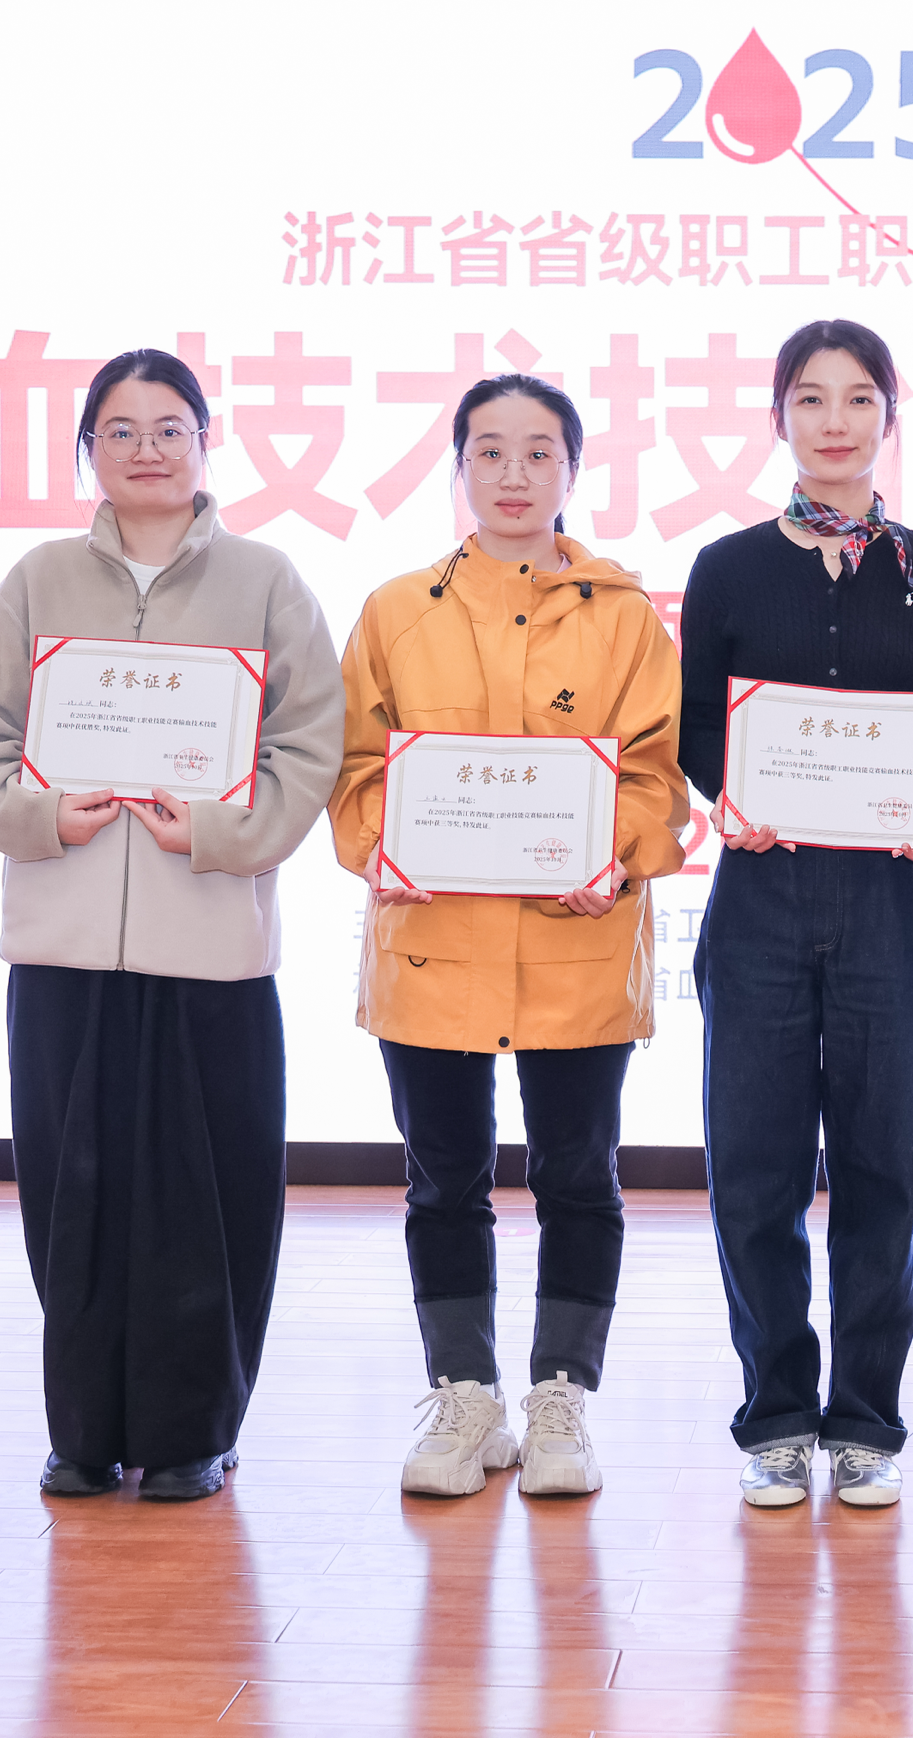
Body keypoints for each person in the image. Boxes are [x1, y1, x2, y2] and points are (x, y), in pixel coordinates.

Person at [0, 348, 342, 1503]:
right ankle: (82, 1431)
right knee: (72, 1198)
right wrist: (41, 815)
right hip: (61, 948)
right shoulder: (35, 582)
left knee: (207, 1205)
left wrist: (217, 833)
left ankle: (192, 1434)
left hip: (210, 950)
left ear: (206, 443)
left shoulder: (266, 582)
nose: (147, 449)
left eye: (170, 427)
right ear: (88, 451)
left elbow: (308, 748)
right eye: (119, 430)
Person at [328, 375, 685, 1499]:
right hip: (433, 942)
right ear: (459, 468)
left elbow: (655, 776)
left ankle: (561, 1396)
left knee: (578, 1177)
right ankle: (465, 1394)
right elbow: (354, 769)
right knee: (443, 1182)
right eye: (490, 451)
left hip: (578, 942)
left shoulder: (624, 616)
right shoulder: (395, 611)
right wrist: (384, 843)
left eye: (539, 452)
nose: (515, 474)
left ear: (573, 470)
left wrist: (612, 853)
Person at [679, 319, 913, 1511]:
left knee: (879, 1167)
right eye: (811, 398)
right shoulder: (727, 567)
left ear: (890, 418)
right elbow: (699, 724)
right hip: (758, 892)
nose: (836, 421)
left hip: (885, 901)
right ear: (778, 418)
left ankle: (863, 1419)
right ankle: (772, 1416)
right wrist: (735, 794)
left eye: (860, 399)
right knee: (751, 1169)